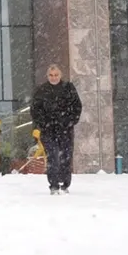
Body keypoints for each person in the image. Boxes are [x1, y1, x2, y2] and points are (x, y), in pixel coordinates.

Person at [31, 64, 82, 195]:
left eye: (56, 75)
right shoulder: (41, 91)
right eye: (51, 75)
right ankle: (53, 184)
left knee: (65, 156)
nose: (54, 77)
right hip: (48, 131)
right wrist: (43, 124)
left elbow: (77, 106)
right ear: (47, 76)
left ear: (61, 75)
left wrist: (70, 121)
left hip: (65, 130)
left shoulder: (69, 88)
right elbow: (35, 110)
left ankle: (65, 184)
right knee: (53, 156)